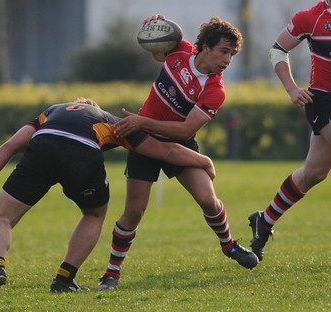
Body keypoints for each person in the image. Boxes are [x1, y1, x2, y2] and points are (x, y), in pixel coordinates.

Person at [0, 98, 217, 295]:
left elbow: (9, 146)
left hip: (42, 147)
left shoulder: (52, 111)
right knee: (94, 214)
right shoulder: (109, 119)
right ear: (93, 107)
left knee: (2, 217)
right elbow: (167, 152)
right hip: (82, 152)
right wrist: (204, 160)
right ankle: (64, 279)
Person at [97, 15, 259, 291]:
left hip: (177, 143)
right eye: (224, 51)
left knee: (208, 200)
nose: (227, 60)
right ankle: (111, 274)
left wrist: (142, 121)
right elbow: (157, 52)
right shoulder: (181, 49)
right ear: (205, 47)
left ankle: (229, 245)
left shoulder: (215, 90)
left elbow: (185, 131)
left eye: (231, 54)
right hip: (144, 143)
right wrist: (154, 28)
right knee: (134, 211)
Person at [248, 0, 331, 261]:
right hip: (323, 102)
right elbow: (277, 50)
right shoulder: (310, 18)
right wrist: (292, 89)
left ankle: (265, 219)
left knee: (314, 173)